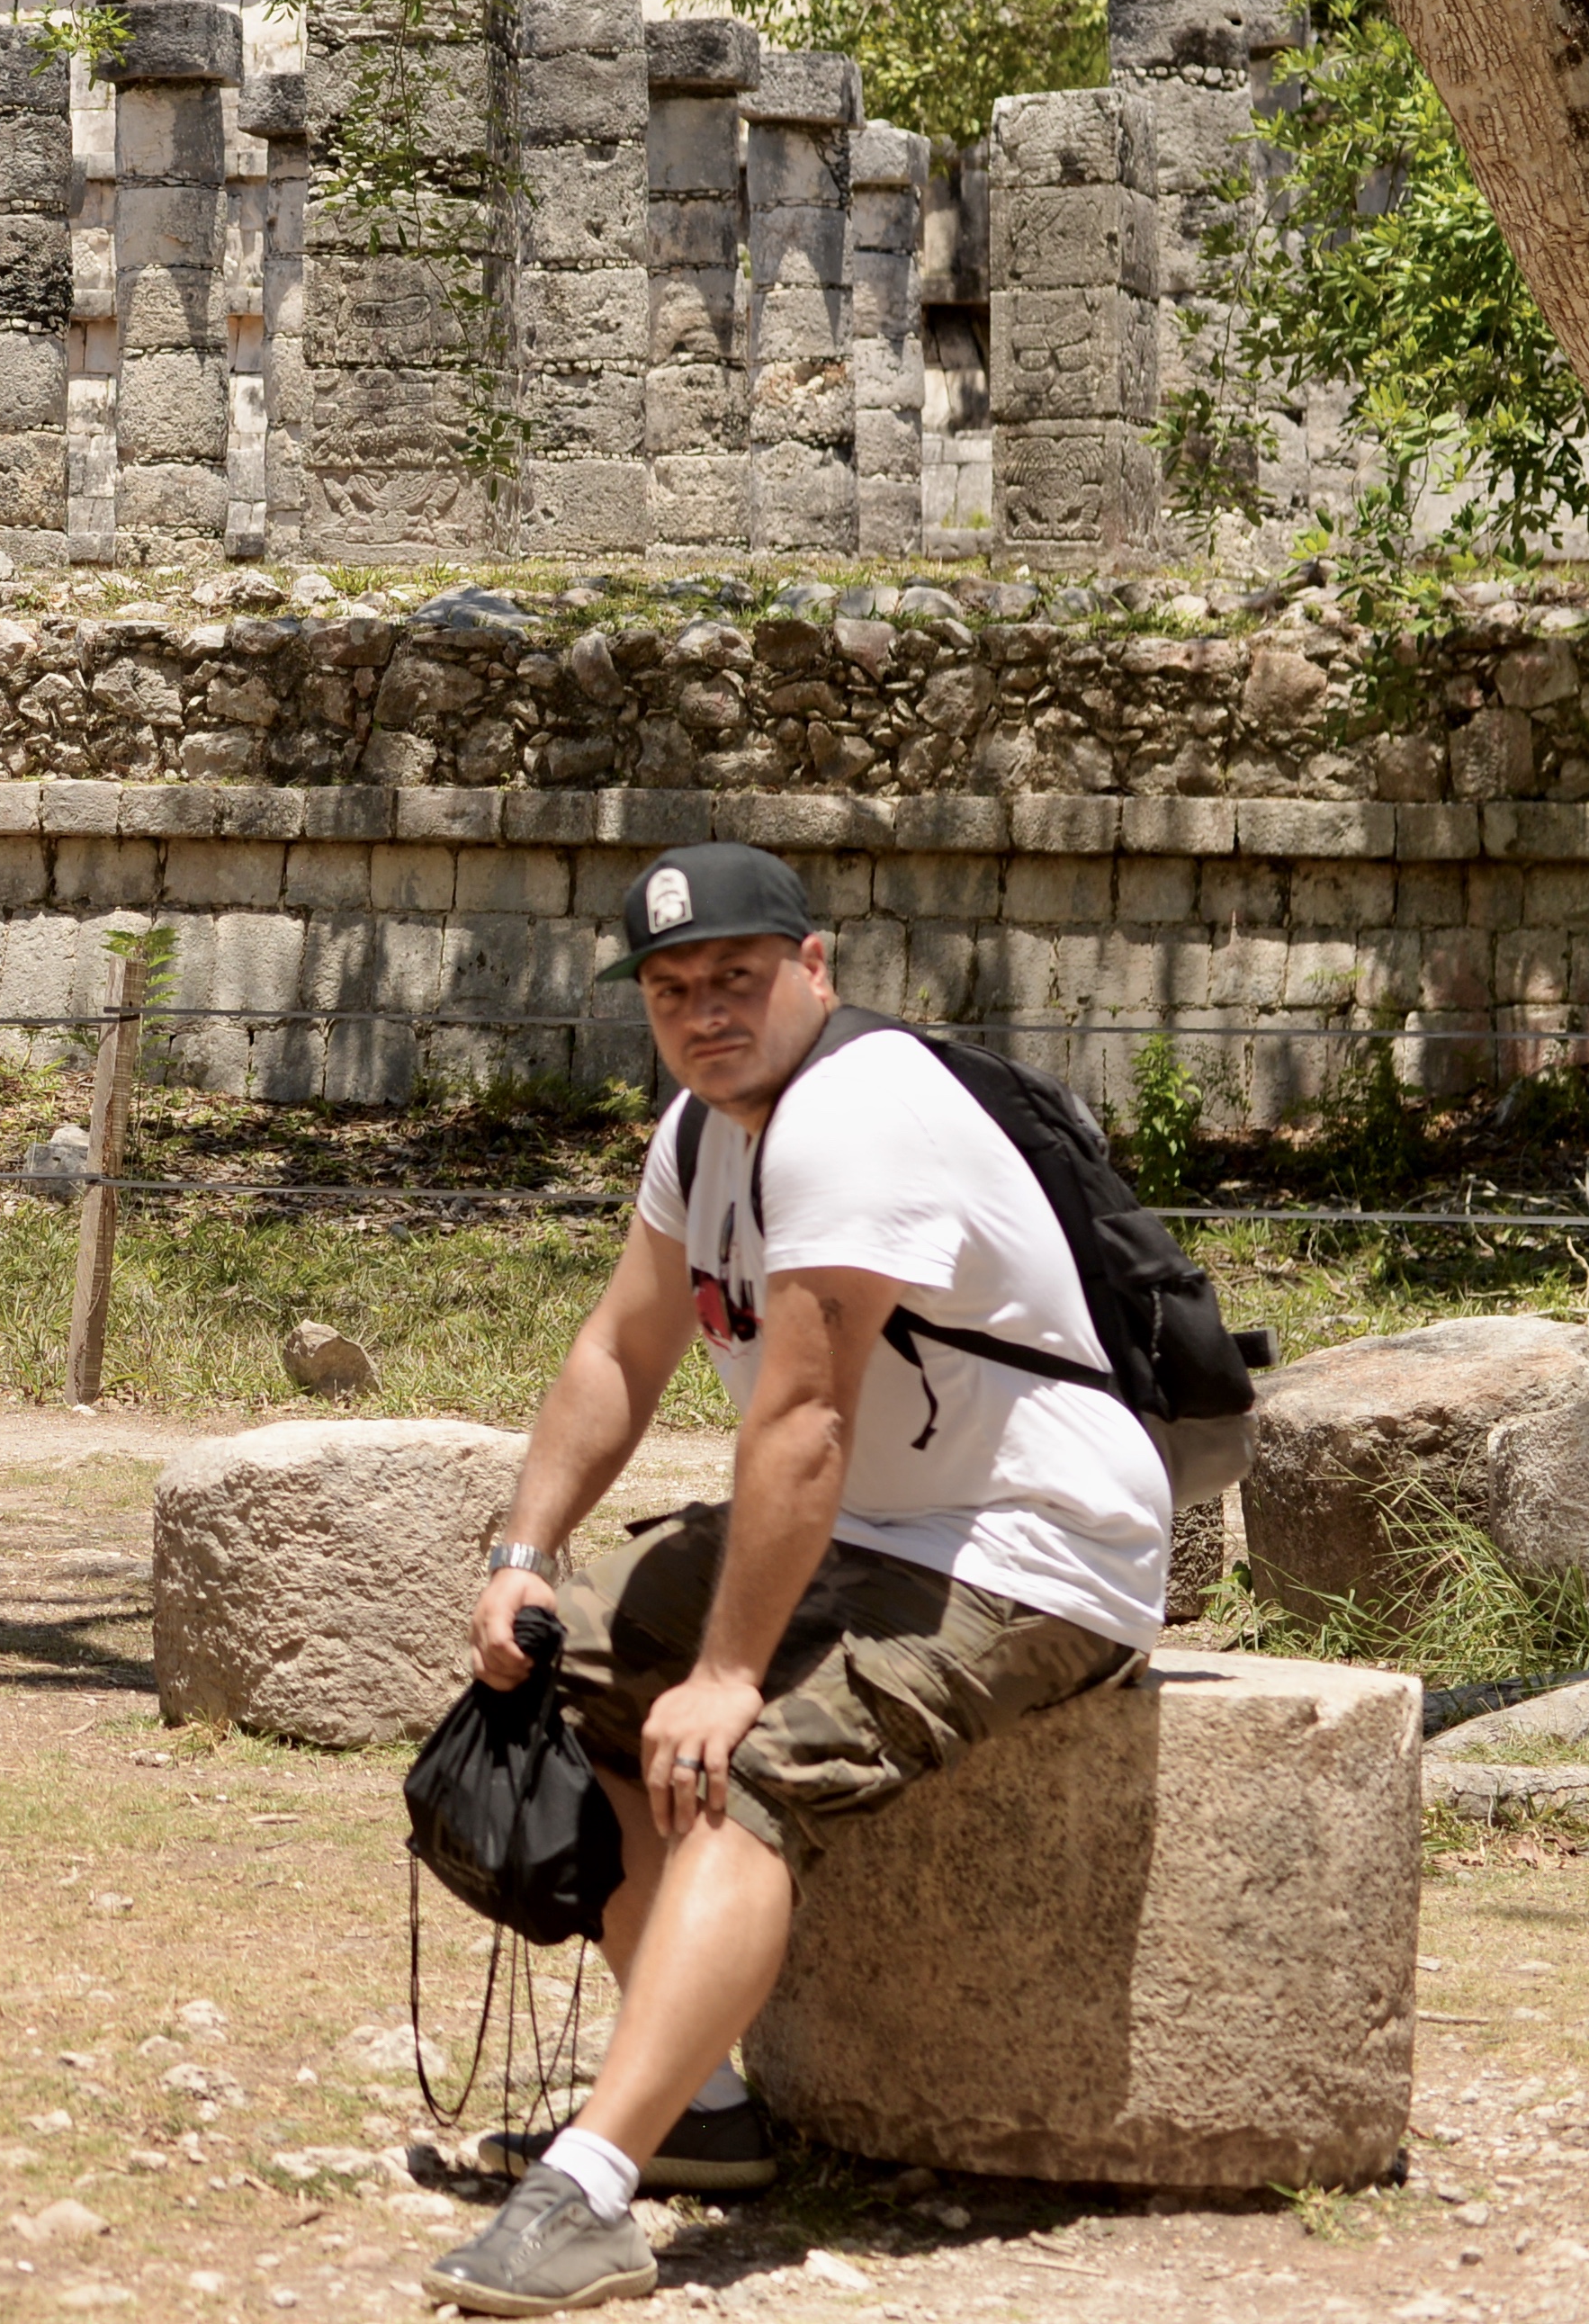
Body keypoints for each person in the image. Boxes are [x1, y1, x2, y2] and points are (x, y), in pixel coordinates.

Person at [416, 843, 1172, 2318]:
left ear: (813, 971)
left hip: (1032, 1548)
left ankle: (589, 2194)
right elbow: (619, 1350)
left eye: (739, 980)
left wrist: (724, 1671)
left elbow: (807, 1415)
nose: (707, 1013)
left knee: (746, 1762)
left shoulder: (859, 1117)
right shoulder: (701, 1134)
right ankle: (695, 2104)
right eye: (673, 988)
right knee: (556, 1668)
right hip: (876, 1536)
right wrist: (525, 1555)